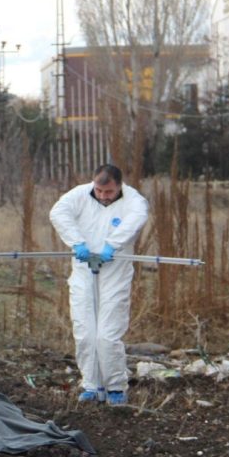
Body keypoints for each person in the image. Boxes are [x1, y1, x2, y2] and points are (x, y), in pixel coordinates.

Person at [49, 164, 149, 406]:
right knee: (85, 333)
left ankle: (115, 386)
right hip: (84, 272)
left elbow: (135, 220)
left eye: (109, 192)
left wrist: (112, 245)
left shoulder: (134, 200)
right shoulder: (80, 194)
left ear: (119, 187)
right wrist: (78, 242)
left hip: (114, 274)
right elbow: (58, 213)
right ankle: (92, 385)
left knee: (107, 335)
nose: (103, 196)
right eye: (99, 190)